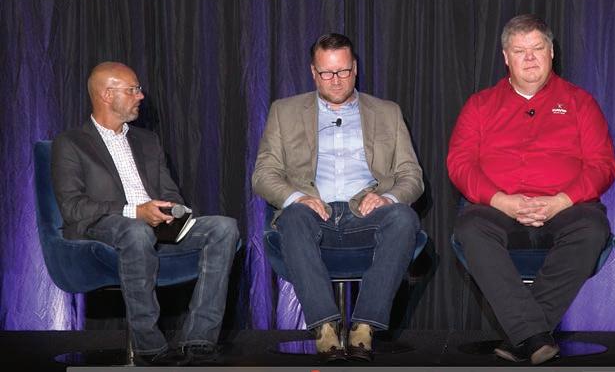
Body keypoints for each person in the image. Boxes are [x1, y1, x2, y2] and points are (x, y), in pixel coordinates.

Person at [447, 14, 615, 365]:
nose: (529, 58)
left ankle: (523, 336)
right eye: (519, 51)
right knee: (469, 227)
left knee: (593, 228)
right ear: (505, 57)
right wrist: (501, 201)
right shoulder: (480, 105)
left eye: (537, 49)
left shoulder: (580, 102)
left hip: (566, 207)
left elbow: (603, 165)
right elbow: (459, 165)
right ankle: (534, 336)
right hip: (498, 208)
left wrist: (561, 201)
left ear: (551, 52)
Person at [51, 62, 240, 366]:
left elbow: (171, 194)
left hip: (153, 224)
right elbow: (73, 207)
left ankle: (199, 339)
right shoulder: (71, 143)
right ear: (107, 94)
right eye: (133, 90)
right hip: (102, 227)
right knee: (135, 230)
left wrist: (173, 212)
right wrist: (135, 212)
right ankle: (149, 346)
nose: (141, 96)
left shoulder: (147, 141)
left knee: (224, 227)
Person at [252, 33, 423, 363]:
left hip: (367, 216)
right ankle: (325, 326)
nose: (336, 80)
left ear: (355, 68)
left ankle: (365, 326)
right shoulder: (284, 111)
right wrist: (297, 197)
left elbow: (411, 175)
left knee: (404, 217)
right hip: (312, 215)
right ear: (313, 72)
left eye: (343, 71)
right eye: (327, 72)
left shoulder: (387, 112)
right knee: (293, 216)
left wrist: (388, 198)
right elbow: (263, 174)